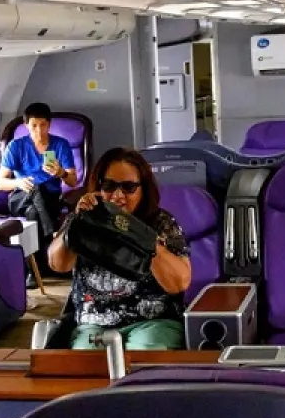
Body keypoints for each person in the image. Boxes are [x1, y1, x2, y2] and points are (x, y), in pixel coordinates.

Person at [47, 148, 192, 350]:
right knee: (85, 362)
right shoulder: (85, 218)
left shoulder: (161, 222)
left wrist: (142, 236)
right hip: (94, 322)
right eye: (109, 186)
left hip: (152, 321)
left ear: (143, 189)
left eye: (129, 187)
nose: (117, 195)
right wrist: (77, 224)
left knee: (144, 357)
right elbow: (58, 264)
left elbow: (179, 283)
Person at [0, 102, 77, 252]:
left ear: (49, 124)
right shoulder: (16, 146)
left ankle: (38, 263)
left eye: (43, 125)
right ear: (26, 125)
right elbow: (0, 183)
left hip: (50, 199)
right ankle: (53, 235)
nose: (39, 130)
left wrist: (61, 173)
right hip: (20, 198)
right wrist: (18, 182)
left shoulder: (60, 145)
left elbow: (72, 181)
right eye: (34, 126)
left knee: (33, 212)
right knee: (36, 187)